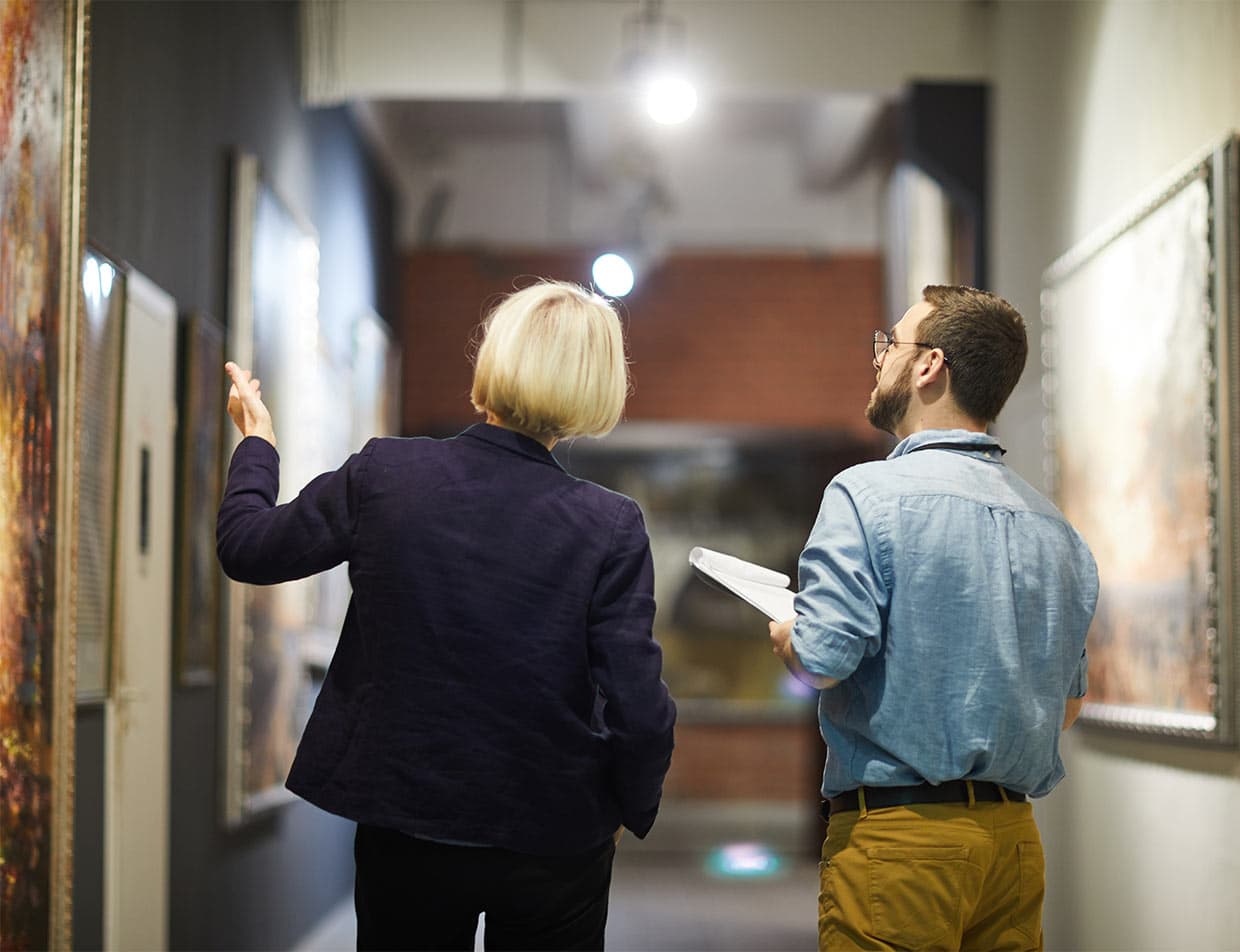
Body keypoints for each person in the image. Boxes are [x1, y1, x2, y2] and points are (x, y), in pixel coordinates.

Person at [217, 280, 676, 951]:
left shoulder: (388, 475)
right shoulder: (609, 525)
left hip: (405, 822)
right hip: (552, 834)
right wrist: (628, 805)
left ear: (494, 361)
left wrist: (257, 444)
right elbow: (637, 700)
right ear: (596, 386)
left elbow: (248, 548)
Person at [768, 284, 1098, 951]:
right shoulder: (1055, 528)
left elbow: (825, 660)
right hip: (1012, 846)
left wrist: (789, 636)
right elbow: (1067, 708)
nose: (878, 358)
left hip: (900, 841)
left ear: (929, 366)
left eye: (890, 343)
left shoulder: (865, 495)